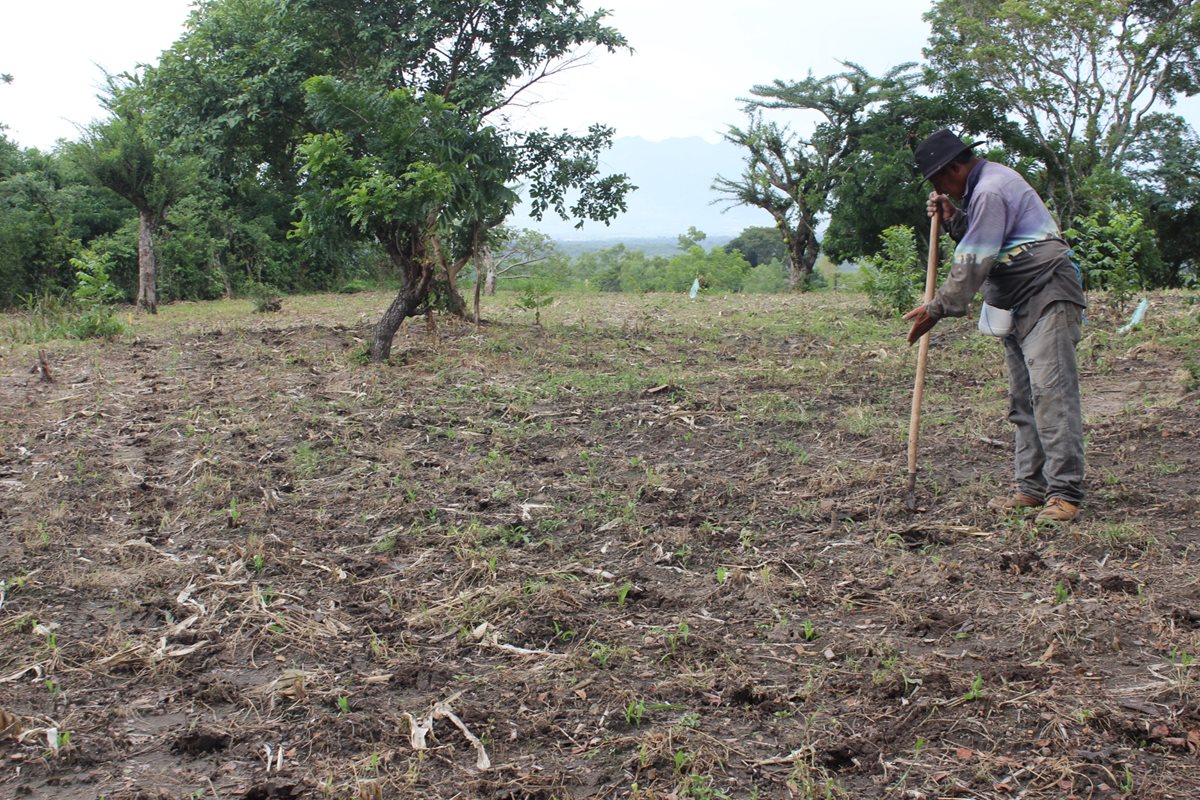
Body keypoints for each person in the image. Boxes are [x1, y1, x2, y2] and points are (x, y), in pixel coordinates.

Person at [903, 129, 1086, 523]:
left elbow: (976, 256)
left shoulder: (990, 189)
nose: (940, 190)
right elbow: (988, 238)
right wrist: (954, 220)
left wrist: (936, 309)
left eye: (939, 181)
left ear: (954, 167)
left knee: (1051, 395)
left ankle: (1065, 494)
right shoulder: (983, 191)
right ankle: (1031, 489)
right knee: (1024, 401)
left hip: (1046, 294)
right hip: (1014, 301)